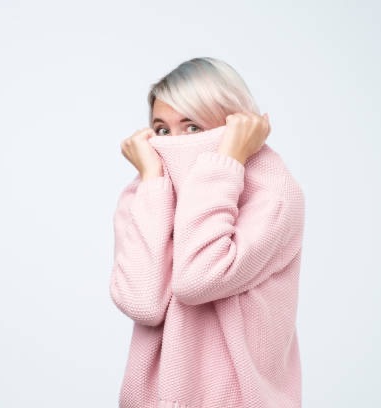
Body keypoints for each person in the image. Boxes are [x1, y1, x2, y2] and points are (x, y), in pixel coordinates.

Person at [110, 57, 306, 408]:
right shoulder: (146, 191)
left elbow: (197, 279)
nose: (174, 143)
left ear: (235, 124)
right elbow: (143, 302)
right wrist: (151, 183)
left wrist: (226, 161)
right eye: (162, 130)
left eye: (193, 127)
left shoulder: (271, 195)